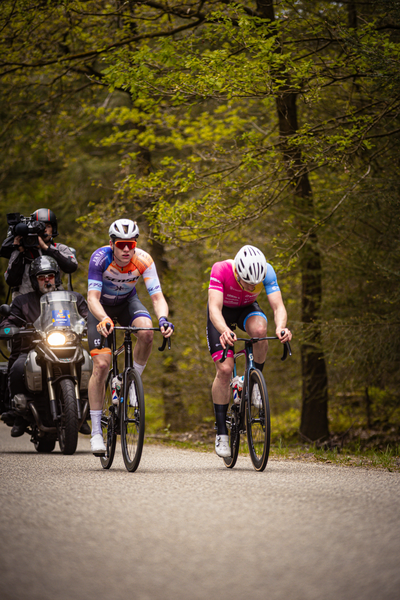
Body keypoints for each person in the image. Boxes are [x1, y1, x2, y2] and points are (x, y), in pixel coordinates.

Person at [87, 218, 174, 454]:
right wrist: (104, 318)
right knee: (102, 366)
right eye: (121, 244)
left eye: (131, 244)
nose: (127, 249)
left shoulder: (144, 259)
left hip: (127, 303)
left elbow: (157, 298)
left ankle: (133, 382)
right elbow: (92, 298)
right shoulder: (99, 258)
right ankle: (96, 432)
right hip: (101, 309)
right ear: (112, 243)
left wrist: (164, 319)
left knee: (146, 332)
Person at [207, 245, 292, 458]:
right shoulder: (221, 269)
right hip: (222, 314)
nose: (252, 286)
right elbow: (214, 309)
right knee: (225, 370)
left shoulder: (267, 271)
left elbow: (278, 306)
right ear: (237, 273)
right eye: (247, 282)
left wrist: (281, 327)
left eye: (256, 283)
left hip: (247, 309)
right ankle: (221, 432)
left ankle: (252, 383)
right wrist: (224, 330)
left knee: (261, 331)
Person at [0, 256, 89, 437]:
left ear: (56, 277)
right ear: (34, 280)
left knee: (90, 363)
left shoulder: (73, 299)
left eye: (50, 276)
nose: (47, 280)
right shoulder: (22, 301)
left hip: (68, 347)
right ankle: (20, 415)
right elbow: (11, 319)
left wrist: (93, 325)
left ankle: (83, 413)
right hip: (31, 349)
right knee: (18, 367)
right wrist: (8, 328)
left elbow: (87, 316)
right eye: (42, 277)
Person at [1, 208, 78, 300]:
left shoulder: (59, 248)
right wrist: (20, 252)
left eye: (48, 226)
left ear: (53, 229)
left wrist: (46, 248)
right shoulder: (21, 251)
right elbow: (11, 281)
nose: (44, 230)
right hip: (25, 304)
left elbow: (72, 266)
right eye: (41, 227)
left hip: (55, 301)